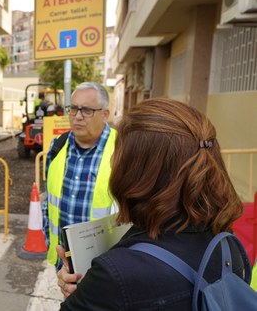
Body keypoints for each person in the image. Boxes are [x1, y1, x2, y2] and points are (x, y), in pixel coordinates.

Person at [56, 98, 245, 310]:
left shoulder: (116, 274)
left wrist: (87, 291)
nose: (111, 163)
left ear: (138, 172)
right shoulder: (226, 242)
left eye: (118, 154)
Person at [42, 82, 116, 270]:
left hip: (106, 266)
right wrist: (48, 238)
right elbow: (48, 200)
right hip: (64, 262)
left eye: (87, 110)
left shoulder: (123, 150)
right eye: (73, 109)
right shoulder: (58, 146)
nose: (78, 117)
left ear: (105, 115)